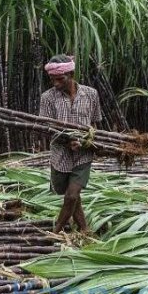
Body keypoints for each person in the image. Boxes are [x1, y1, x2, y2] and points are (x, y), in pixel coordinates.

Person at [39, 55, 102, 234]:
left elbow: (95, 124)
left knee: (72, 194)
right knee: (71, 197)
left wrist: (86, 142)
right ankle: (84, 229)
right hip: (60, 155)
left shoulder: (91, 94)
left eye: (60, 79)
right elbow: (47, 128)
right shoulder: (48, 97)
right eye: (52, 79)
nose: (56, 83)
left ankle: (56, 231)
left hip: (84, 154)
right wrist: (68, 141)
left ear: (72, 74)